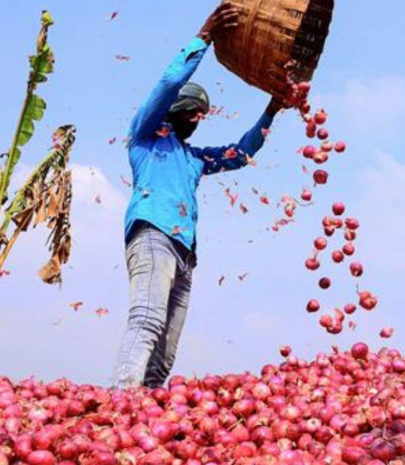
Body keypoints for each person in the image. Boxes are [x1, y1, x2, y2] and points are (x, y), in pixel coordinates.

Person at [111, 3, 283, 389]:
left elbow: (240, 154)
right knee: (148, 319)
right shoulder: (144, 137)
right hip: (153, 233)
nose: (196, 120)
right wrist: (203, 36)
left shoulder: (193, 159)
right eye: (192, 112)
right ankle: (122, 400)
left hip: (185, 251)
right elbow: (167, 86)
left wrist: (272, 110)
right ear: (175, 112)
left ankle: (148, 409)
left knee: (167, 345)